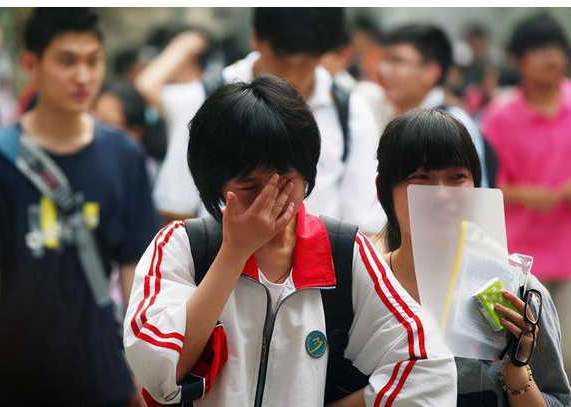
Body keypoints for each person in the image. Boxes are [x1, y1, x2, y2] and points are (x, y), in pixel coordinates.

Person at [123, 75, 456, 407]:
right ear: (216, 184)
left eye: (286, 182)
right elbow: (156, 370)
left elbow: (431, 368)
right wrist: (234, 253)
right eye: (250, 187)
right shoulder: (183, 246)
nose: (271, 199)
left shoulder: (344, 253)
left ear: (307, 173)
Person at [0, 8, 157, 405]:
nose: (83, 76)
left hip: (102, 380)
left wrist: (140, 377)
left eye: (93, 61)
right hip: (13, 384)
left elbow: (136, 276)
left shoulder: (124, 157)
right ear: (31, 65)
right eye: (67, 61)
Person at [376, 108, 571, 407]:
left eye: (456, 177)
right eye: (421, 178)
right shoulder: (365, 286)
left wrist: (517, 368)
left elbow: (558, 400)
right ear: (383, 191)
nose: (441, 194)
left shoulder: (517, 294)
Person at [136, 8, 382, 234]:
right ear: (256, 39)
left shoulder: (351, 112)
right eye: (283, 62)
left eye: (307, 64)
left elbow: (360, 223)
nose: (292, 77)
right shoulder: (206, 99)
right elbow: (177, 207)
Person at [482, 13, 571, 383]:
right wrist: (524, 193)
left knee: (567, 356)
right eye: (538, 50)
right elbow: (486, 183)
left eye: (556, 48)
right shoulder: (501, 116)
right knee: (522, 356)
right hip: (519, 258)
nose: (551, 57)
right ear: (517, 60)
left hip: (568, 251)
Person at [377, 23, 491, 188]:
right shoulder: (381, 114)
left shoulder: (454, 123)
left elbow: (475, 194)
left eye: (396, 61)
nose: (382, 69)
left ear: (431, 71)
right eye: (383, 60)